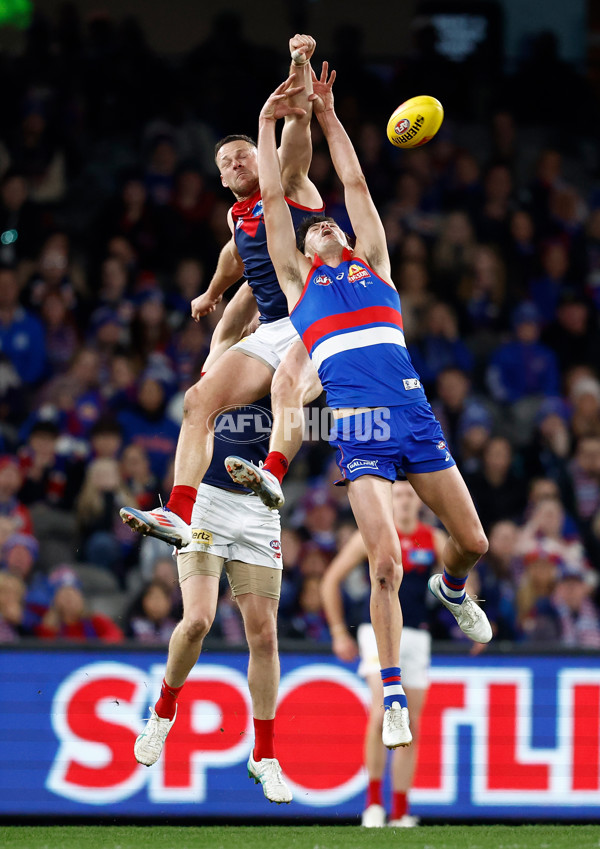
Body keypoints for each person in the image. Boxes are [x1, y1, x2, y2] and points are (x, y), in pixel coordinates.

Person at [251, 67, 492, 748]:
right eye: (314, 227)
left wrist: (328, 116)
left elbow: (353, 186)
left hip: (415, 418)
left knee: (471, 542)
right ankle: (392, 695)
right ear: (301, 250)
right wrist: (269, 123)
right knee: (383, 563)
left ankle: (450, 589)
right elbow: (273, 195)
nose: (325, 223)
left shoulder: (376, 263)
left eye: (331, 223)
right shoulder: (301, 286)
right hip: (360, 430)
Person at [120, 34, 323, 547]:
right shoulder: (238, 216)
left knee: (284, 391)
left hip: (322, 322)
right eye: (226, 163)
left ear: (263, 159)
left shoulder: (293, 186)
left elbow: (298, 122)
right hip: (276, 327)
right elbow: (233, 258)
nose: (235, 165)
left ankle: (274, 471)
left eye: (243, 156)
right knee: (196, 402)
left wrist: (299, 63)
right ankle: (179, 514)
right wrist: (211, 294)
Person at [132, 285, 292, 806]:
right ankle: (162, 713)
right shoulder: (223, 359)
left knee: (264, 636)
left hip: (257, 510)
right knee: (197, 620)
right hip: (206, 505)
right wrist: (253, 272)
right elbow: (234, 317)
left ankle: (264, 754)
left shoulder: (287, 372)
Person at [321, 482, 446, 827]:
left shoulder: (432, 538)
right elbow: (330, 580)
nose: (405, 501)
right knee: (383, 713)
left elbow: (464, 578)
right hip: (376, 631)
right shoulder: (372, 535)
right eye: (399, 495)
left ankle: (401, 810)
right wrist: (336, 631)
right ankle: (374, 804)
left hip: (418, 635)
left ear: (420, 500)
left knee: (412, 725)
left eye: (410, 495)